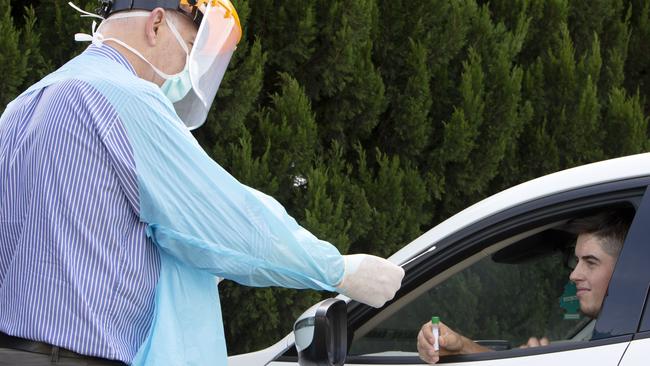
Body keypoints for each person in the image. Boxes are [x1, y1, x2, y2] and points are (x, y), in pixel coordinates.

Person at [0, 1, 404, 365]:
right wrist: (339, 271)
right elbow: (227, 219)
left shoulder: (21, 108)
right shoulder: (125, 98)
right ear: (156, 24)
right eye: (191, 49)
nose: (185, 72)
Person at [416, 209, 632, 364]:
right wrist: (460, 346)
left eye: (591, 262)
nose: (574, 274)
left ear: (626, 267)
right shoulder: (616, 336)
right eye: (576, 262)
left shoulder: (632, 345)